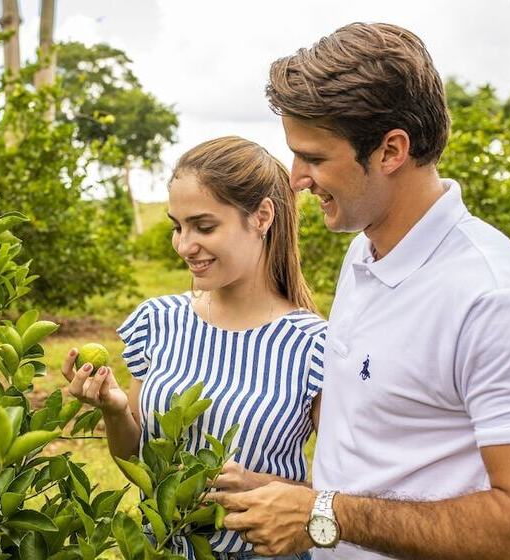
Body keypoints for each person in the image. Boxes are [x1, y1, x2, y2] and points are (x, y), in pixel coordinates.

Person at [210, 22, 510, 559]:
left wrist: (325, 515)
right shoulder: (366, 254)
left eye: (315, 158)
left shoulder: (492, 299)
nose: (296, 178)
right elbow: (394, 465)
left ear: (391, 150)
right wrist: (301, 500)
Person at [61, 136, 327, 559]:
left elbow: (343, 498)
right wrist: (114, 410)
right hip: (160, 548)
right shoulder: (158, 322)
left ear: (261, 217)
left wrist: (261, 487)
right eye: (177, 227)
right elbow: (139, 463)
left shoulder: (313, 346)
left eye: (204, 227)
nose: (185, 246)